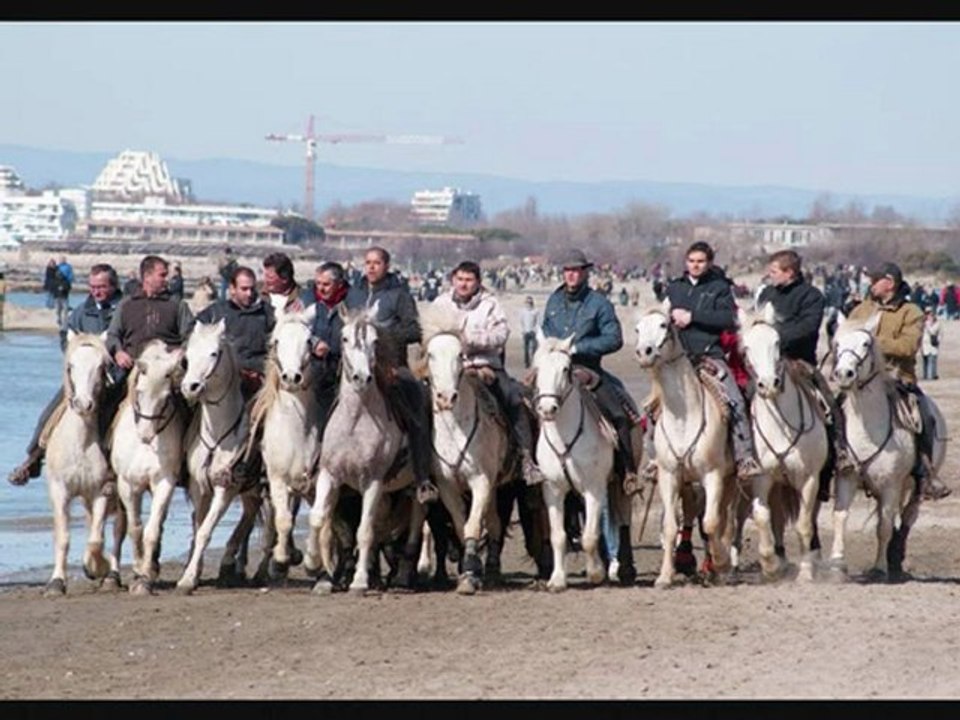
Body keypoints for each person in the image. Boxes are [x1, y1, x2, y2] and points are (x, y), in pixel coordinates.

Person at [8, 263, 126, 486]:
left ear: (113, 286)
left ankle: (112, 469)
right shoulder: (83, 310)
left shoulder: (124, 309)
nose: (96, 291)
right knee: (52, 411)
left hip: (115, 378)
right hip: (83, 378)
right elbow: (66, 334)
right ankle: (33, 458)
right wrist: (75, 358)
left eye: (101, 286)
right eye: (92, 286)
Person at [432, 260, 544, 485]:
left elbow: (501, 334)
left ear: (478, 282)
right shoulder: (440, 302)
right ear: (453, 279)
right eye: (460, 279)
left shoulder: (490, 304)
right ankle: (423, 468)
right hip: (447, 370)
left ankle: (525, 458)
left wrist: (471, 340)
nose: (463, 284)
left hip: (485, 366)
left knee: (513, 399)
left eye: (469, 280)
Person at [756, 249, 854, 501]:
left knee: (831, 407)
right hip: (766, 364)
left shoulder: (812, 296)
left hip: (800, 363)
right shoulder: (766, 294)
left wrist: (774, 335)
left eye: (774, 271)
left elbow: (807, 328)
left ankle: (838, 455)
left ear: (789, 272)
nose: (770, 275)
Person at [344, 246, 438, 505]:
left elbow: (413, 330)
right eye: (368, 262)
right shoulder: (354, 294)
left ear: (386, 266)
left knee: (416, 406)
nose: (371, 267)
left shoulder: (400, 295)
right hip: (357, 366)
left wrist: (382, 336)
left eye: (377, 263)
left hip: (393, 365)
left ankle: (422, 479)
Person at [663, 241, 763, 481]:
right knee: (654, 406)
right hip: (678, 359)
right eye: (691, 261)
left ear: (708, 263)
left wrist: (693, 316)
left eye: (700, 261)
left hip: (710, 355)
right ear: (685, 262)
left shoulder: (719, 288)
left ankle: (744, 457)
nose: (695, 265)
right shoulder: (675, 288)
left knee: (735, 401)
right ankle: (656, 458)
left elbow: (728, 318)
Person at [848, 262, 949, 500]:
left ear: (889, 283)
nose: (869, 285)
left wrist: (871, 343)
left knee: (924, 415)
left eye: (874, 281)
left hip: (898, 378)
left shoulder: (911, 312)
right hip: (861, 379)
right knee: (834, 409)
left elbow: (908, 346)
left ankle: (925, 471)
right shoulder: (862, 310)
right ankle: (835, 461)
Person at [541, 248, 641, 489]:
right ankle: (531, 467)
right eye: (567, 271)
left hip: (588, 369)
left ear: (585, 273)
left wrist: (578, 348)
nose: (571, 275)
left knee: (619, 413)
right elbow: (545, 330)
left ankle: (627, 472)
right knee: (525, 403)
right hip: (554, 368)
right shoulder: (553, 300)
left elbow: (614, 338)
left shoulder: (599, 303)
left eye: (576, 270)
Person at [195, 265, 275, 401]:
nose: (249, 294)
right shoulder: (215, 312)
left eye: (252, 288)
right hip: (224, 381)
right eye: (244, 289)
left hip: (259, 382)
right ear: (232, 289)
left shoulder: (267, 313)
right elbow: (193, 335)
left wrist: (260, 370)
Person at [301, 261, 350, 435]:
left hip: (342, 371)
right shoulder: (309, 303)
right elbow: (298, 329)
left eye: (326, 284)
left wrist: (335, 348)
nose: (321, 289)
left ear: (339, 284)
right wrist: (314, 343)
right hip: (314, 372)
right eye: (318, 284)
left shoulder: (350, 303)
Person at [519, 295, 541, 369]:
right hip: (526, 332)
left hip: (533, 332)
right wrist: (523, 330)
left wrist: (535, 330)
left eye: (530, 302)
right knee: (526, 349)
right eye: (527, 302)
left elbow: (538, 321)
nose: (529, 303)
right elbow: (521, 321)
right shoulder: (523, 311)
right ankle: (526, 363)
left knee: (534, 348)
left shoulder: (535, 311)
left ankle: (534, 362)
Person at [921, 306, 941, 382]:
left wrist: (928, 325)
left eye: (929, 313)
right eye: (927, 313)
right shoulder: (922, 323)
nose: (928, 315)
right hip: (924, 344)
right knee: (925, 361)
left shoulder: (937, 323)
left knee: (932, 360)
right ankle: (926, 375)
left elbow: (934, 332)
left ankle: (931, 376)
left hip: (933, 344)